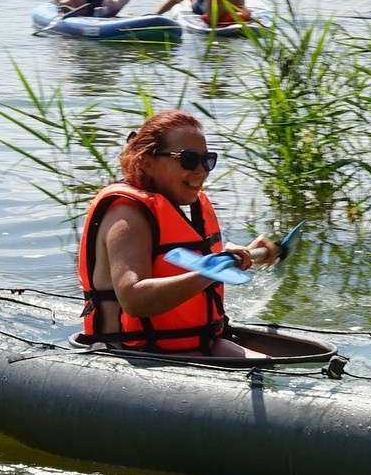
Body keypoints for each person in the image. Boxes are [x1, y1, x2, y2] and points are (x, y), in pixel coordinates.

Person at [78, 110, 279, 357]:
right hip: (134, 355)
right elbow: (134, 299)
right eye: (188, 159)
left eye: (207, 160)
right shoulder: (127, 215)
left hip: (198, 345)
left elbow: (174, 259)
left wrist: (235, 254)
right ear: (147, 162)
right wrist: (209, 272)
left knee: (275, 369)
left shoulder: (183, 206)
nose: (201, 171)